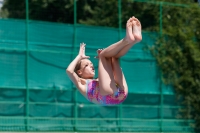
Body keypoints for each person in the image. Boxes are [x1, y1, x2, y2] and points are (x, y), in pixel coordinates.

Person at [66, 16, 142, 105]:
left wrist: (106, 61)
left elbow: (111, 75)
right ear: (79, 72)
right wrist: (79, 56)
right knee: (103, 55)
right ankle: (126, 40)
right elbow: (69, 71)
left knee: (114, 58)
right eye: (86, 65)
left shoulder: (99, 80)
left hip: (121, 93)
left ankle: (134, 40)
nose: (91, 66)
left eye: (91, 64)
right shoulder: (81, 84)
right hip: (108, 96)